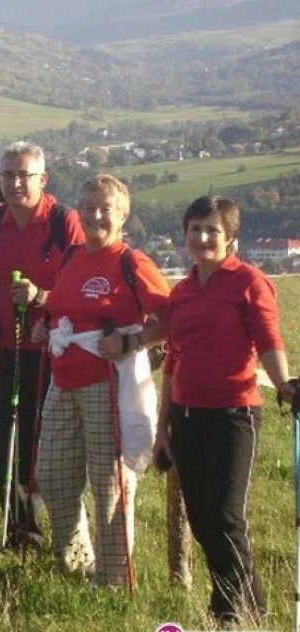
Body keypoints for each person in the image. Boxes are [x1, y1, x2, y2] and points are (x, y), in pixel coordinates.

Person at [153, 195, 295, 624]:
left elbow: (269, 339)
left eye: (212, 229)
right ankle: (255, 610)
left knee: (226, 515)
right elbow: (173, 361)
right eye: (194, 229)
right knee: (201, 519)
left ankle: (227, 611)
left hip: (234, 414)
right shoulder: (180, 292)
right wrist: (163, 426)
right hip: (187, 414)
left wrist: (286, 384)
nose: (201, 237)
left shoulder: (249, 283)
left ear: (231, 237)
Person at [33, 175, 169, 587]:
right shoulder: (72, 256)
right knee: (53, 477)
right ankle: (77, 560)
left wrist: (131, 341)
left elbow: (173, 316)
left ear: (123, 216)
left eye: (105, 209)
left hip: (107, 383)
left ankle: (113, 580)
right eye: (88, 206)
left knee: (110, 484)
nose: (94, 215)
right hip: (63, 379)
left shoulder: (132, 263)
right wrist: (44, 326)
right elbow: (59, 306)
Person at [0, 141, 85, 547]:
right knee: (10, 444)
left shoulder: (62, 222)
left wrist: (42, 297)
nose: (16, 183)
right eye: (8, 175)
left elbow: (83, 285)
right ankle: (22, 532)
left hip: (59, 352)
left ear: (43, 179)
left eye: (24, 175)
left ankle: (70, 537)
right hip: (13, 349)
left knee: (52, 448)